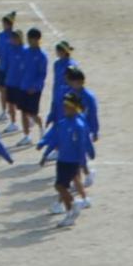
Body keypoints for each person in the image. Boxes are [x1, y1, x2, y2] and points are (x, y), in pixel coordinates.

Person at [38, 94, 96, 227]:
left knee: (60, 186)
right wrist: (45, 154)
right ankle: (70, 212)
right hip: (62, 160)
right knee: (62, 186)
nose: (65, 108)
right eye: (64, 106)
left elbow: (82, 145)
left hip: (72, 161)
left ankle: (74, 205)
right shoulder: (63, 123)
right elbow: (56, 140)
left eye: (67, 106)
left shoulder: (79, 125)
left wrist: (84, 161)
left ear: (74, 108)